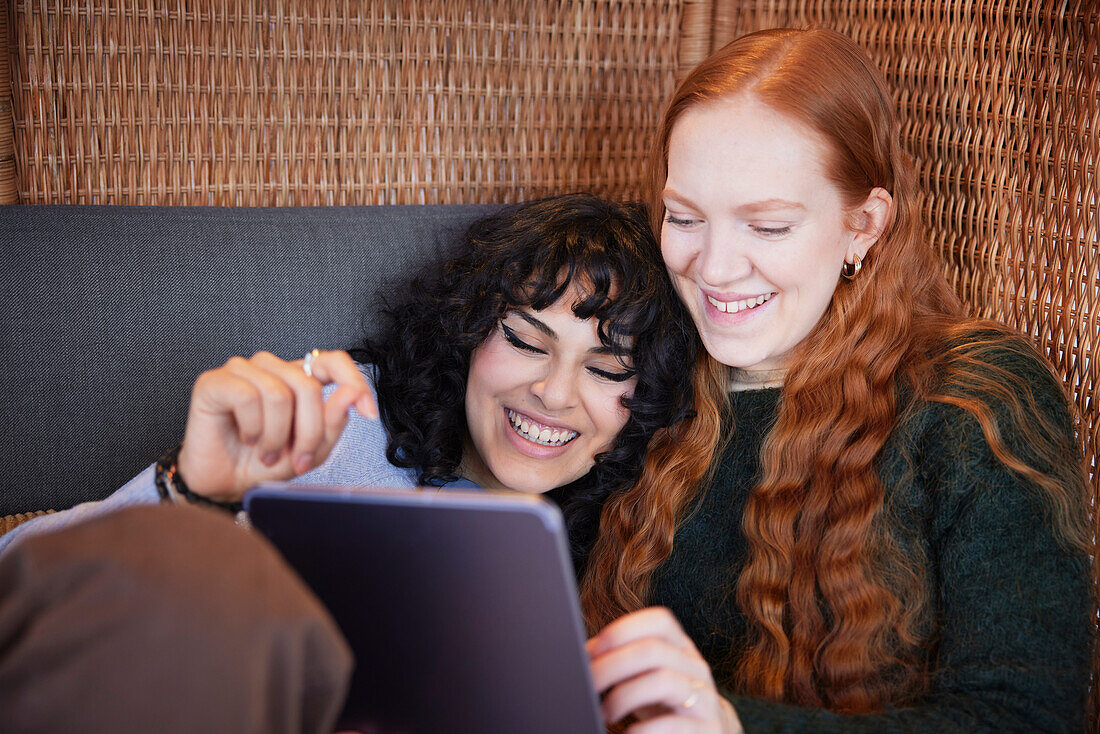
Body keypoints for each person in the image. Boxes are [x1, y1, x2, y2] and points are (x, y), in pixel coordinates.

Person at [0, 193, 698, 733]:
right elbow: (26, 596)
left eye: (607, 368)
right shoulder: (338, 421)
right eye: (524, 338)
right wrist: (190, 491)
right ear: (469, 330)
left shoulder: (641, 534)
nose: (553, 392)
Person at [580, 27, 1093, 733]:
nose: (714, 267)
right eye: (685, 217)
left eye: (768, 227)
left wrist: (731, 726)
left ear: (863, 225)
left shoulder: (972, 400)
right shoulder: (651, 370)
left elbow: (1025, 720)